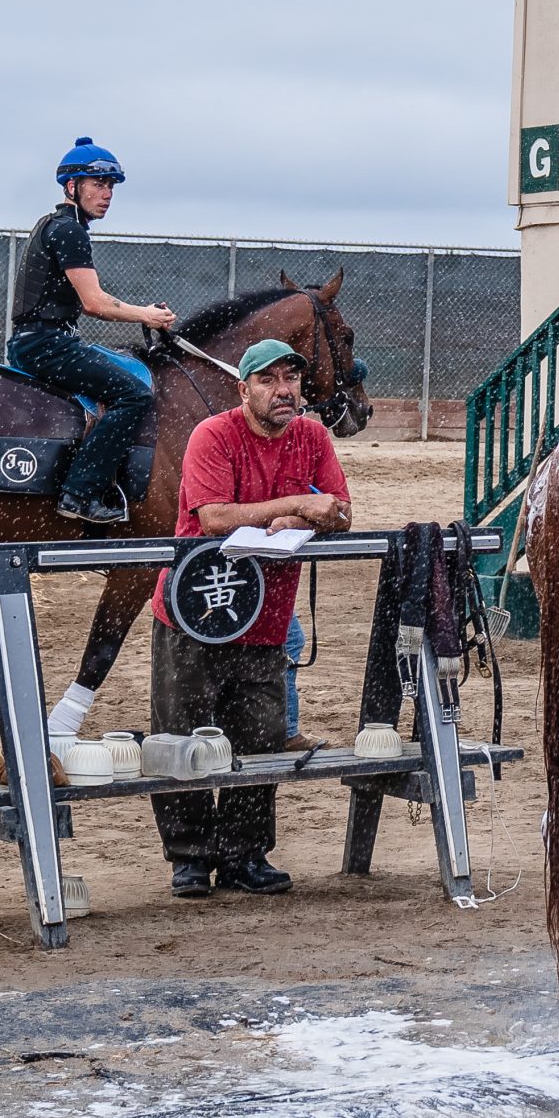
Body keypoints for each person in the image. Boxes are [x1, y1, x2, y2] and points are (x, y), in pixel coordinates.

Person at [150, 338, 353, 899]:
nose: (284, 389)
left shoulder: (312, 437)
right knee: (181, 735)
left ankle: (245, 853)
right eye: (269, 379)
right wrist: (294, 505)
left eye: (291, 377)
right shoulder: (212, 435)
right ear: (243, 389)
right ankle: (189, 857)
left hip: (266, 612)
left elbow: (339, 508)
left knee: (260, 737)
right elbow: (213, 516)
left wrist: (309, 511)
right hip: (198, 609)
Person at [7, 138, 177, 524]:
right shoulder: (70, 231)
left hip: (40, 340)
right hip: (46, 345)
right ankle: (80, 493)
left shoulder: (55, 225)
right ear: (72, 187)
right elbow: (95, 303)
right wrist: (146, 316)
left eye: (111, 186)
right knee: (134, 395)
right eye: (98, 184)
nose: (107, 194)